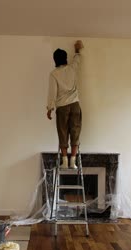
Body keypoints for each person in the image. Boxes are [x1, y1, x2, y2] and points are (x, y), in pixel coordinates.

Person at [46, 40, 84, 169]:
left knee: (63, 132)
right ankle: (73, 161)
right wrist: (77, 50)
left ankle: (65, 162)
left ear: (55, 60)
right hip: (74, 105)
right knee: (75, 131)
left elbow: (52, 92)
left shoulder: (54, 74)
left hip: (62, 106)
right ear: (65, 59)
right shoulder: (72, 69)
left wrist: (49, 108)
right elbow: (77, 60)